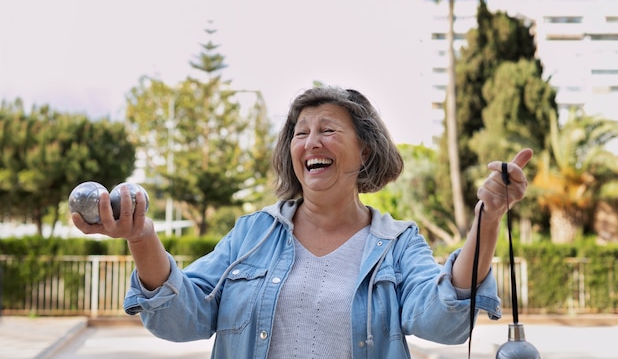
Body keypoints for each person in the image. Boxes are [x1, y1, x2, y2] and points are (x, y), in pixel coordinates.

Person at [72, 85, 533, 359]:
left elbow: (442, 323)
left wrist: (487, 219)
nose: (311, 141)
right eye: (300, 133)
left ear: (364, 150)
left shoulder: (398, 244)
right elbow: (181, 318)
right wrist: (142, 236)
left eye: (328, 130)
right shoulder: (252, 236)